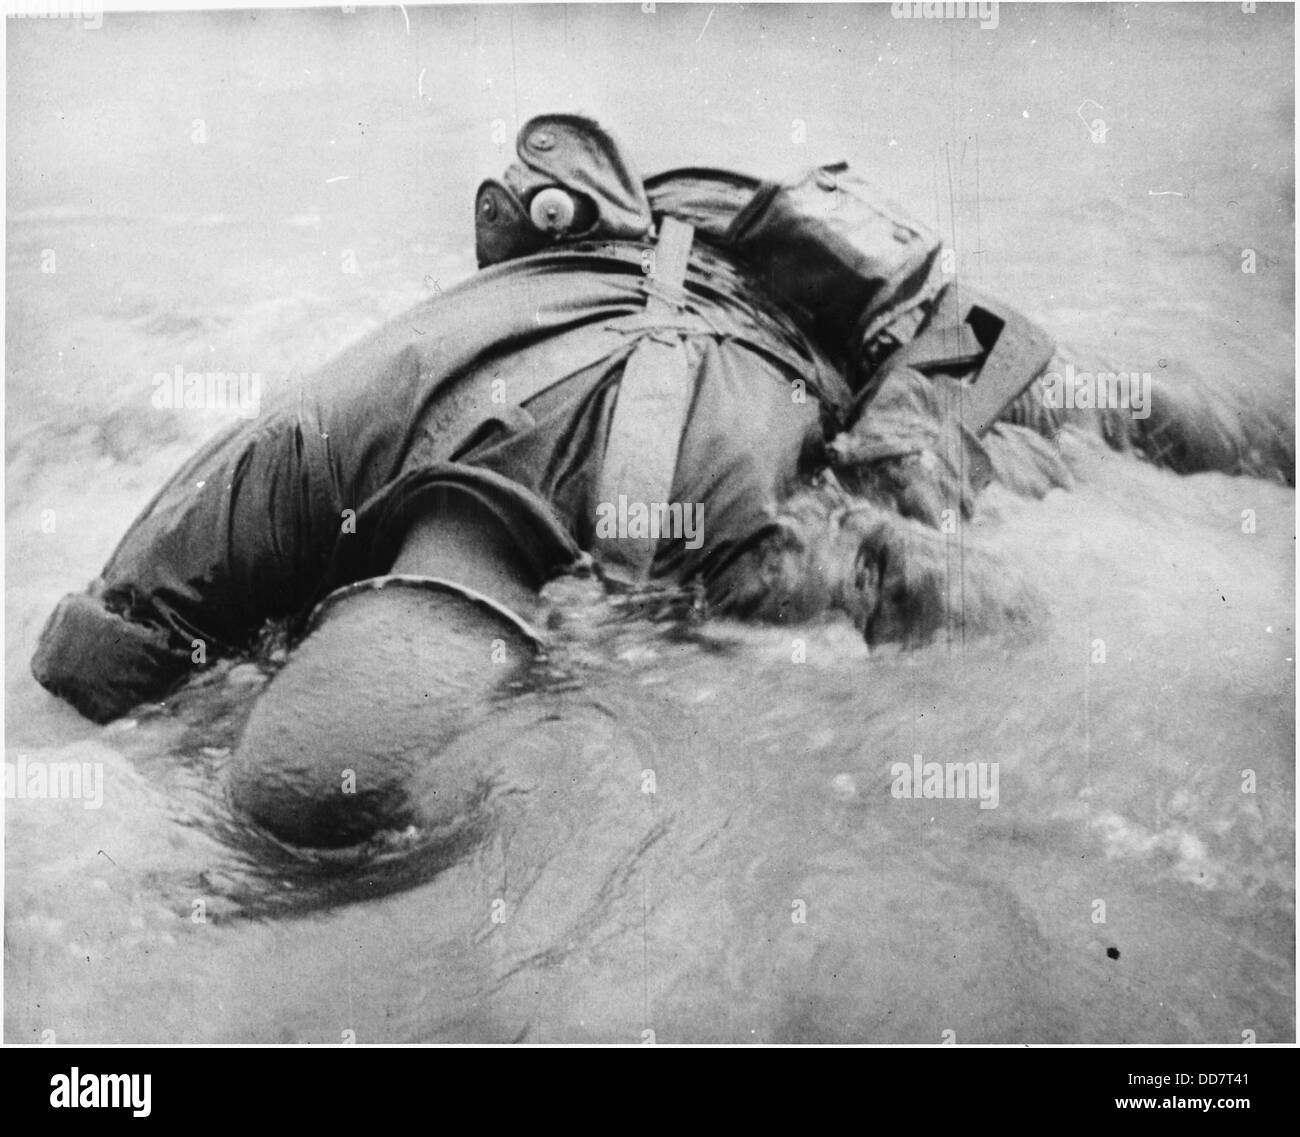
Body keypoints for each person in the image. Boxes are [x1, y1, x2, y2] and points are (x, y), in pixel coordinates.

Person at [29, 113, 1082, 846]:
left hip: (792, 295)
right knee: (1085, 427)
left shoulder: (290, 466)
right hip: (656, 239)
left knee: (1016, 432)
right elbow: (960, 593)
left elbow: (107, 658)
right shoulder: (298, 464)